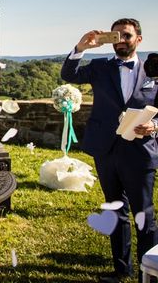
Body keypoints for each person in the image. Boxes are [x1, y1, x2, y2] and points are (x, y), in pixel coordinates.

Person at [61, 18, 158, 283]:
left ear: (138, 39)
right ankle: (120, 269)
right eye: (115, 35)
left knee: (144, 214)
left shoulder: (153, 70)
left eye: (126, 35)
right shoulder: (99, 67)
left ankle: (147, 272)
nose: (120, 40)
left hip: (140, 152)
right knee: (116, 209)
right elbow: (68, 75)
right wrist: (81, 46)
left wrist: (154, 126)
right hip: (106, 150)